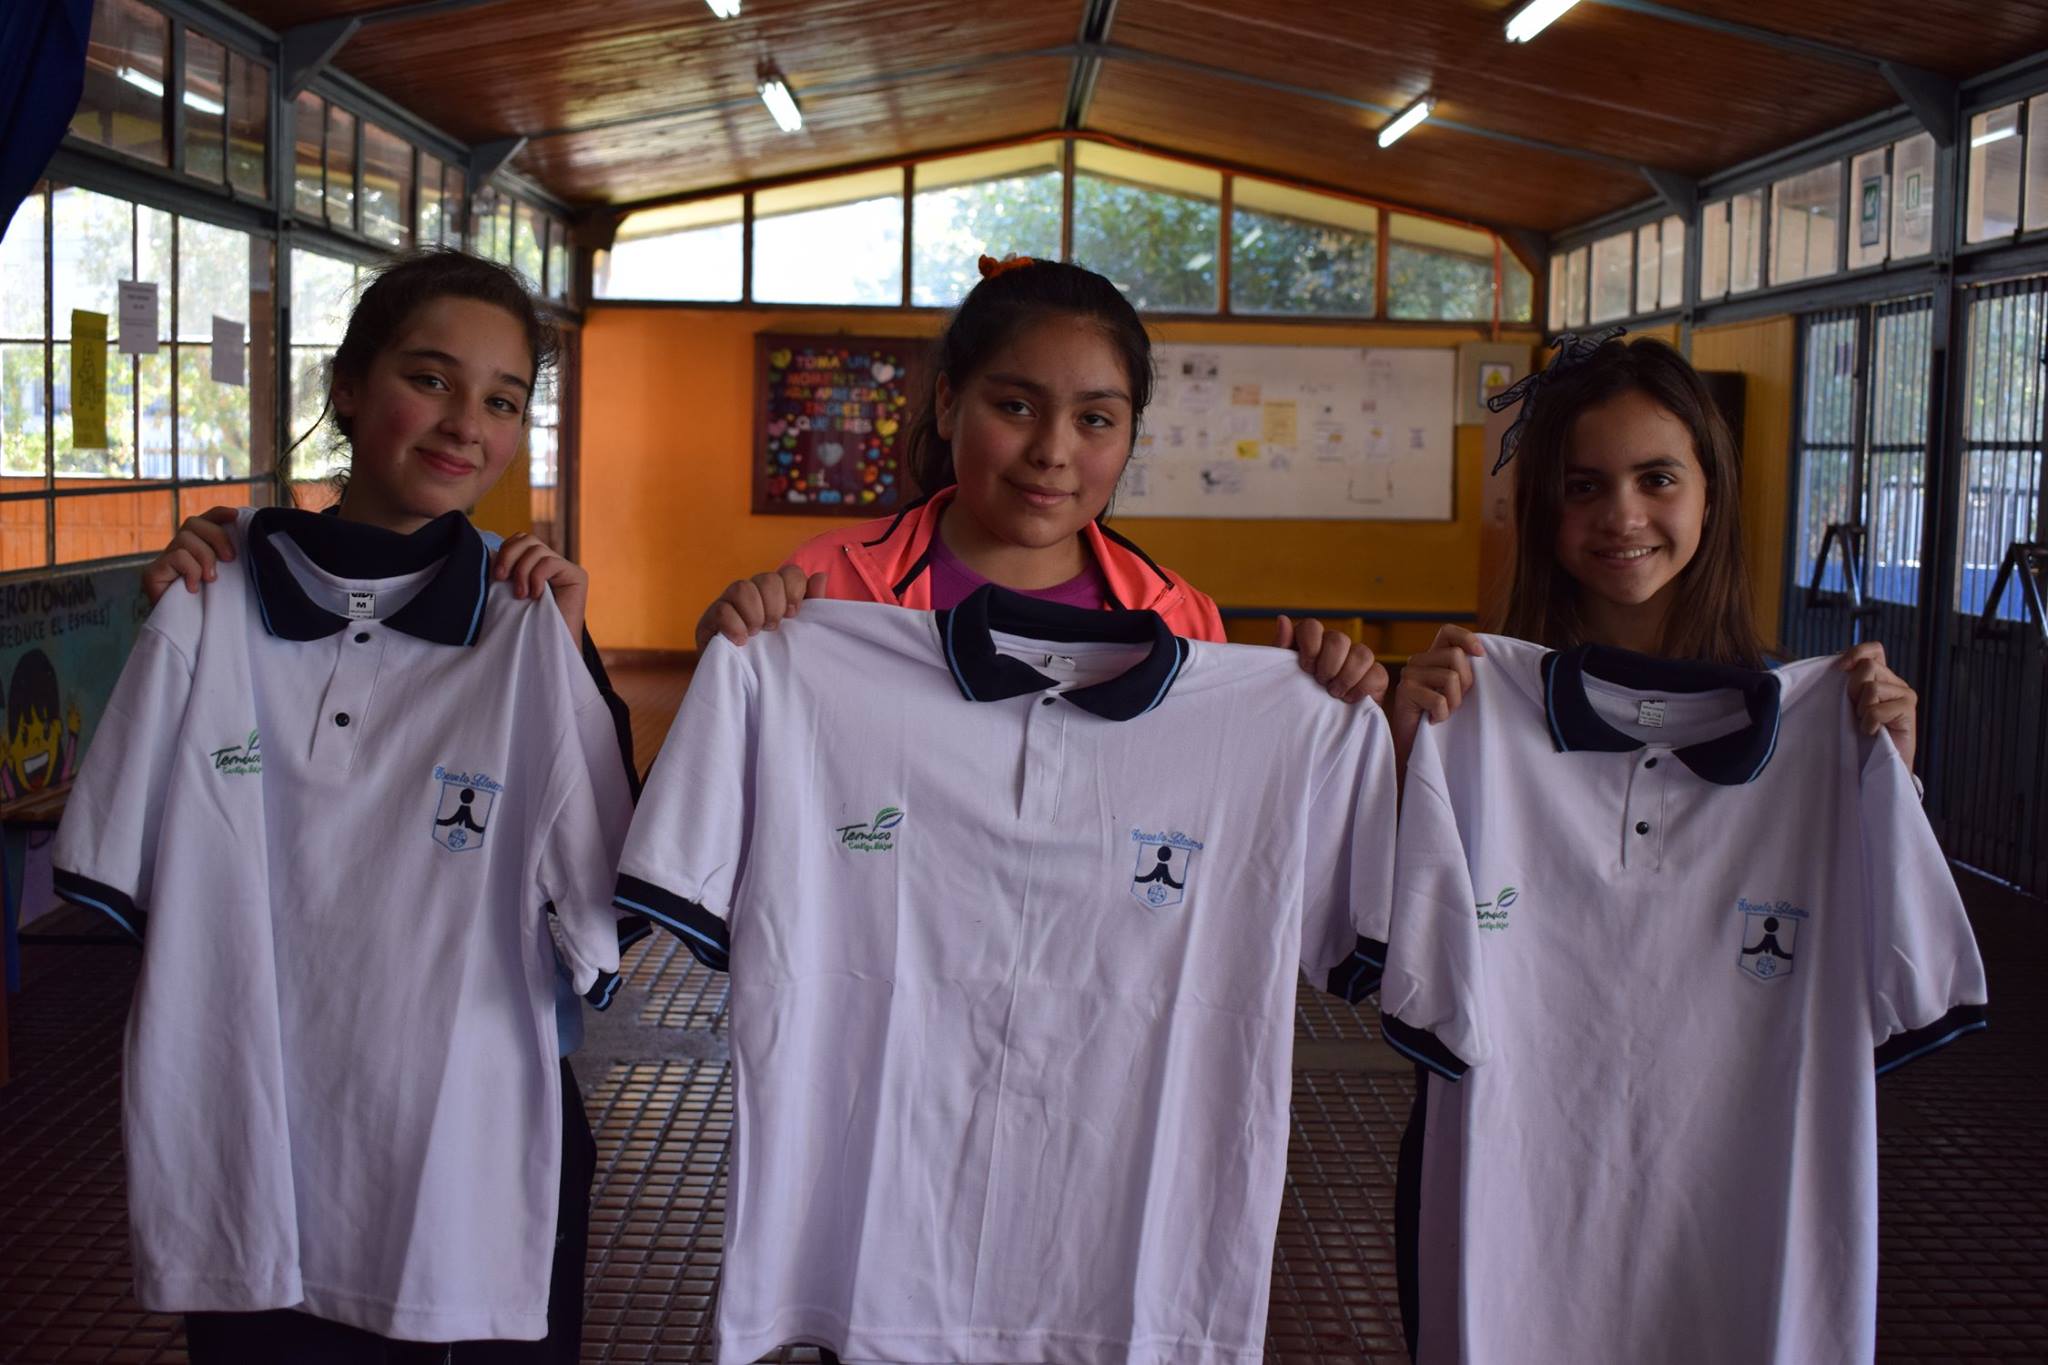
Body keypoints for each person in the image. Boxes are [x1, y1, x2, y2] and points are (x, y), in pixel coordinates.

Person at [127, 248, 619, 1365]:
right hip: (263, 1115)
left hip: (477, 1126)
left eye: (503, 401)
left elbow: (606, 896)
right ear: (347, 386)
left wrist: (568, 655)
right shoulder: (214, 592)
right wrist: (182, 611)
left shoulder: (528, 608)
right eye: (430, 379)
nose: (465, 426)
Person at [695, 255, 1388, 706]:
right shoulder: (828, 581)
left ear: (1130, 435)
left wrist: (1324, 702)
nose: (1052, 451)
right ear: (948, 404)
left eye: (1095, 419)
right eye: (1017, 407)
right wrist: (726, 665)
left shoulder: (1179, 619)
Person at [1390, 332, 1918, 772]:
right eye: (1583, 486)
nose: (1623, 519)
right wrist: (1408, 757)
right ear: (1542, 508)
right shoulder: (1468, 702)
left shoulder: (1800, 716)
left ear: (1711, 496)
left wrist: (1886, 772)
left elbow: (1870, 867)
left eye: (1657, 479)